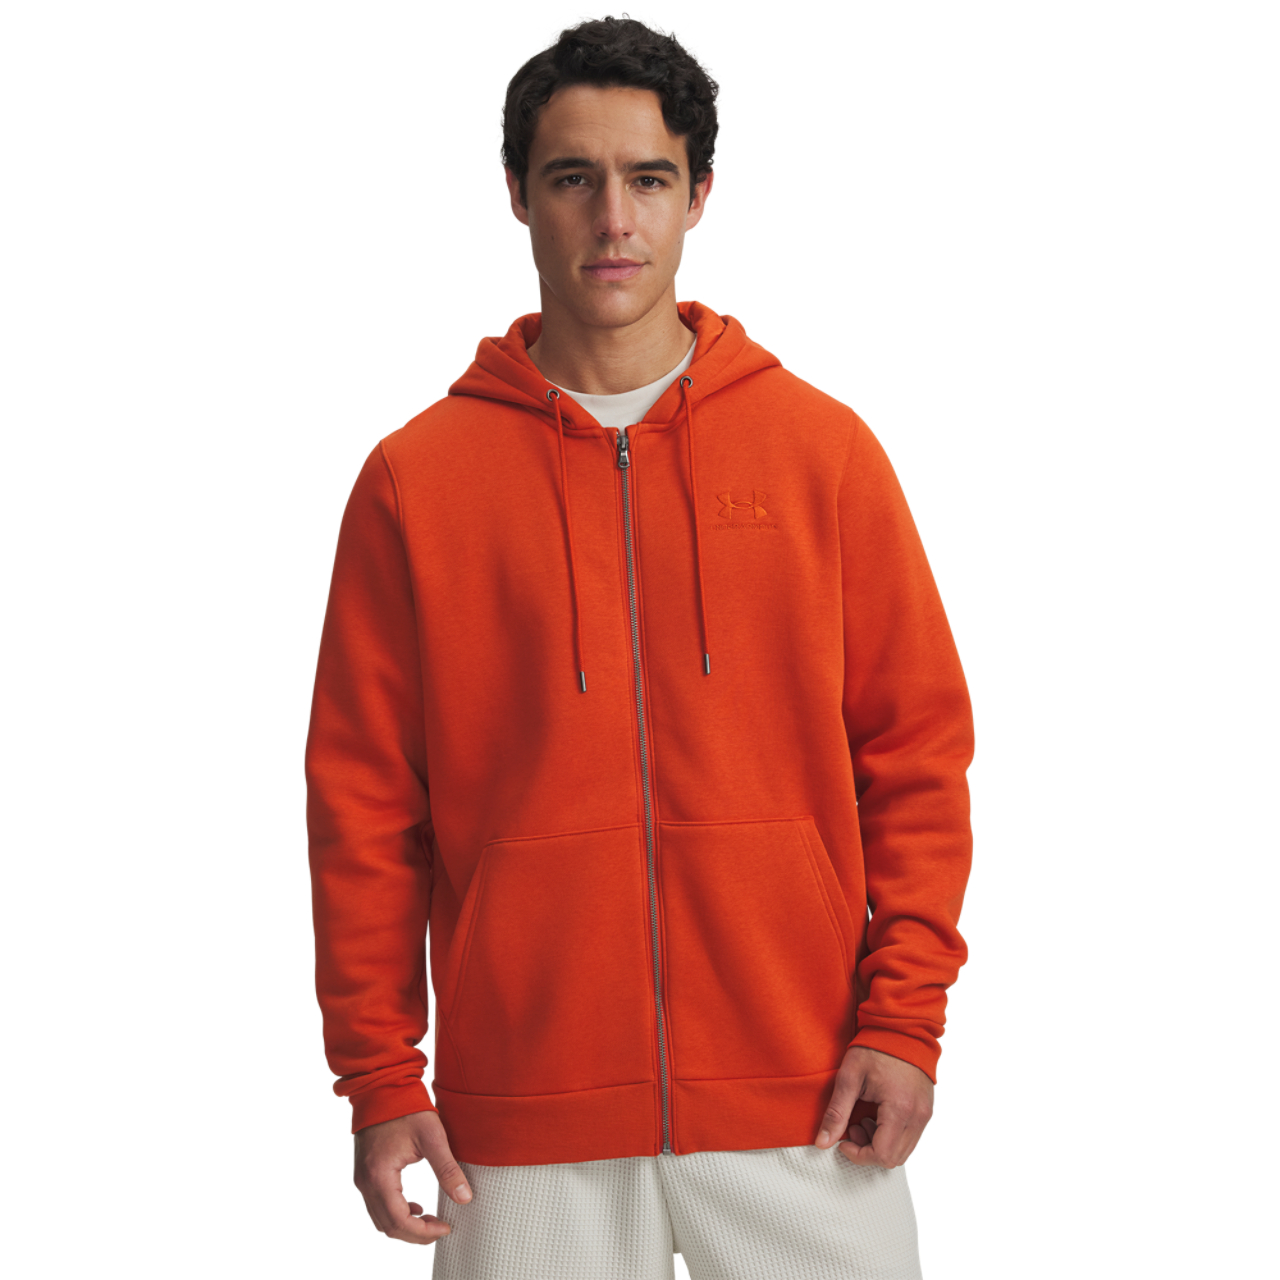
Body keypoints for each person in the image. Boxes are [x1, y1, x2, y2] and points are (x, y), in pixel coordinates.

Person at [305, 16, 974, 1279]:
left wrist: (904, 1022)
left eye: (648, 178)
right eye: (573, 177)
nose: (612, 219)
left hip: (805, 1100)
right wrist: (380, 1076)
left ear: (697, 194)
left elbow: (916, 758)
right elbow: (364, 805)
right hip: (523, 1118)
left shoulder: (819, 454)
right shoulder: (415, 483)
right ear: (517, 193)